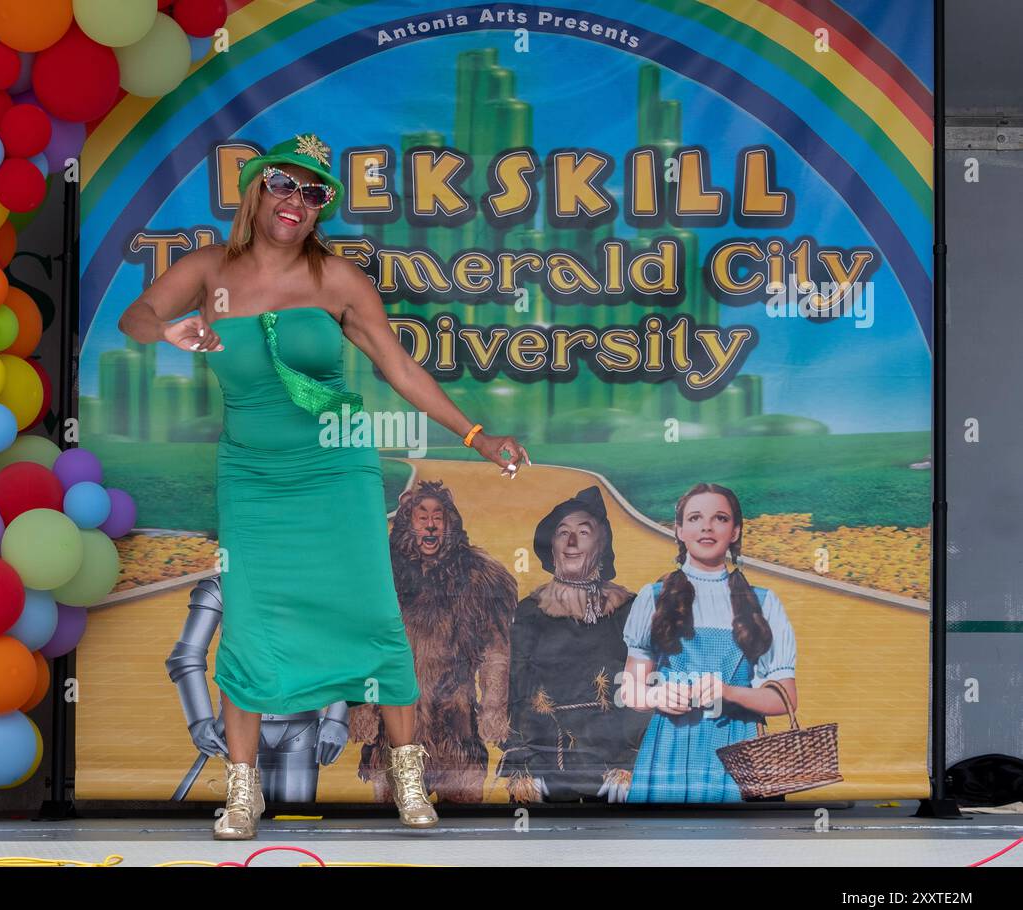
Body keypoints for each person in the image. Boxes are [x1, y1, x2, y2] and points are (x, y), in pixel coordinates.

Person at [118, 132, 530, 838]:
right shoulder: (210, 268)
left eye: (315, 193)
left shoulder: (337, 280)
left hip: (336, 472)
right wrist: (170, 331)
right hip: (252, 476)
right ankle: (242, 796)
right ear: (255, 189)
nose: (298, 201)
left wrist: (475, 435)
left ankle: (409, 783)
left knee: (373, 619)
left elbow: (401, 370)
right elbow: (136, 316)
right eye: (285, 183)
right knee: (250, 622)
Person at [620, 482, 798, 802]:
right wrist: (656, 695)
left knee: (735, 847)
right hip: (670, 747)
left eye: (720, 518)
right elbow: (630, 690)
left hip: (739, 749)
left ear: (735, 532)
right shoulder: (653, 597)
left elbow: (784, 700)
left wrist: (727, 692)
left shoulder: (765, 602)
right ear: (679, 531)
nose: (706, 526)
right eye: (695, 518)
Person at [496, 486, 650, 803]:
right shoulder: (530, 611)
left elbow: (645, 687)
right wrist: (520, 758)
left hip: (615, 765)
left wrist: (630, 761)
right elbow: (512, 686)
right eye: (562, 533)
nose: (571, 542)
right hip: (546, 763)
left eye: (583, 531)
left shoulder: (630, 608)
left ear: (601, 543)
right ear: (551, 547)